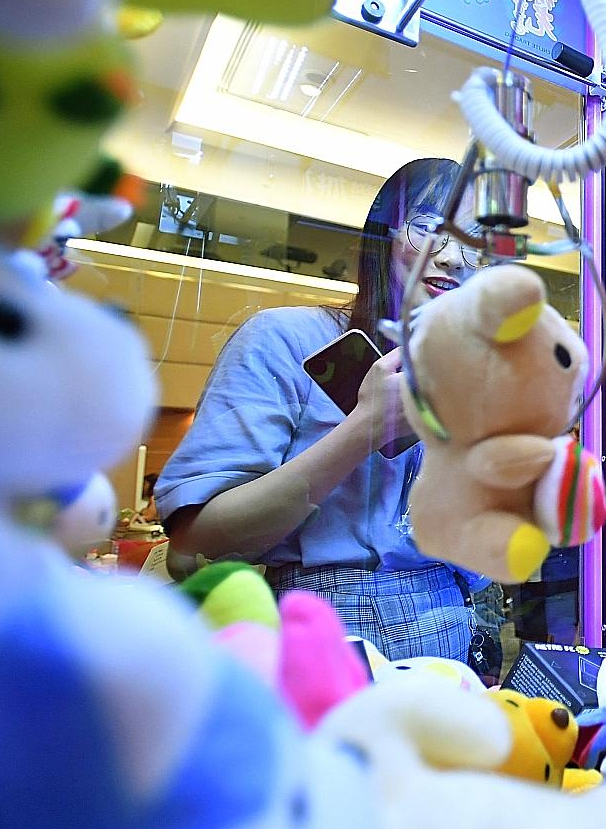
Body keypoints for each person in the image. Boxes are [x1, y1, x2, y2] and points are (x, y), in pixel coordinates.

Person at [156, 158, 490, 662]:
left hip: (452, 619)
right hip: (327, 623)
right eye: (431, 228)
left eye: (477, 243)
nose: (455, 257)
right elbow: (200, 533)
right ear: (384, 234)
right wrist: (362, 431)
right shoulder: (286, 339)